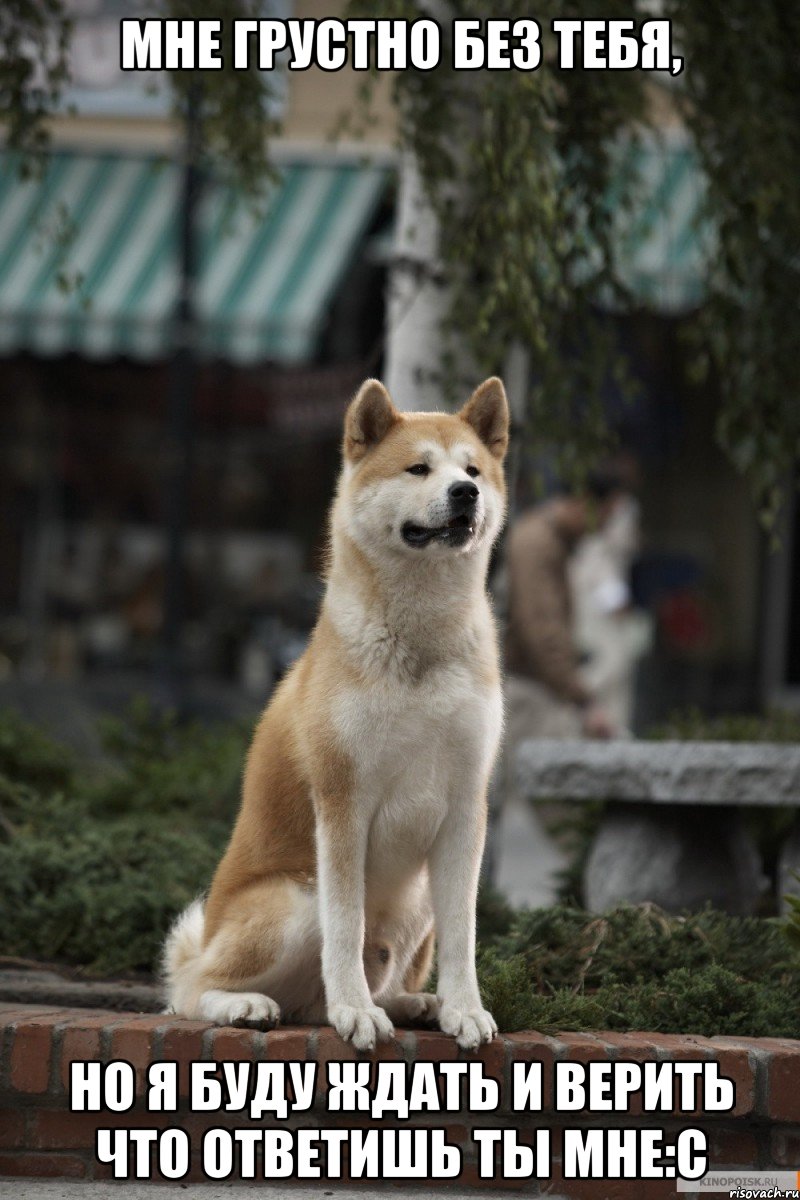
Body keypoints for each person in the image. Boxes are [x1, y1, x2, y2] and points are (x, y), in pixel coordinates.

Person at [504, 470, 627, 742]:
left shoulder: (551, 541)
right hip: (526, 691)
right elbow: (542, 630)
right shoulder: (538, 544)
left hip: (537, 687)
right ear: (586, 502)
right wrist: (583, 700)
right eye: (607, 515)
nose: (605, 527)